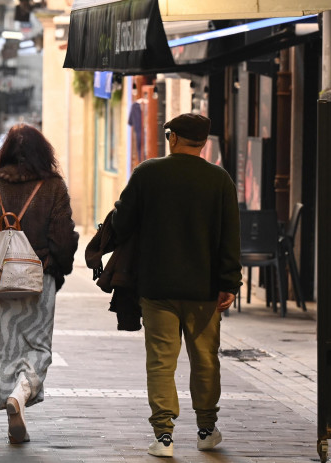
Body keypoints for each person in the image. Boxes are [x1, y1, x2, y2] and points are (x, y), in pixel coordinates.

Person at [109, 113, 241, 457]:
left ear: (172, 138)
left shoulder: (148, 173)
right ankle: (206, 430)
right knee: (206, 360)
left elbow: (121, 223)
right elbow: (231, 238)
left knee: (161, 361)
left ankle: (164, 437)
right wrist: (230, 283)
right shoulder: (220, 180)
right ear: (204, 142)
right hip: (205, 290)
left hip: (157, 287)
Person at [0, 124, 79, 444]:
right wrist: (57, 270)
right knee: (38, 346)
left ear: (6, 151)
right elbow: (64, 238)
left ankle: (11, 397)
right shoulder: (53, 187)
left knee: (8, 344)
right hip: (41, 278)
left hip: (0, 283)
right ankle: (22, 394)